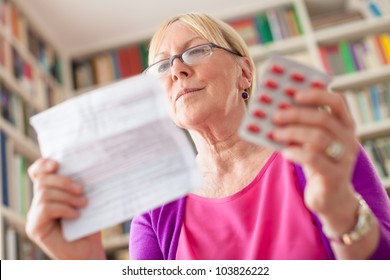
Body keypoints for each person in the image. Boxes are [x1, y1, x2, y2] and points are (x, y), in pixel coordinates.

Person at [26, 13, 390, 260]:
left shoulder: (317, 154)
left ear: (244, 72)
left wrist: (341, 212)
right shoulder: (155, 208)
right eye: (162, 65)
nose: (178, 70)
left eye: (196, 50)